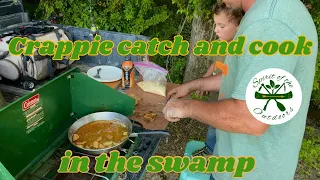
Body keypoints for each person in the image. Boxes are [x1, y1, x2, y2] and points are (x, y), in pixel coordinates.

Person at [162, 0, 318, 180]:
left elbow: (251, 118)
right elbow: (243, 82)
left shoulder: (270, 23)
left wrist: (186, 107)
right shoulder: (272, 11)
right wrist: (194, 85)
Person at [192, 2, 245, 157]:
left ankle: (215, 152)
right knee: (213, 123)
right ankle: (210, 148)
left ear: (238, 26)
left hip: (228, 98)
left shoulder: (240, 48)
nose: (216, 30)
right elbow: (216, 63)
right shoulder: (220, 44)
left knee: (221, 126)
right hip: (215, 95)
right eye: (216, 25)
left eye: (221, 26)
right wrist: (206, 78)